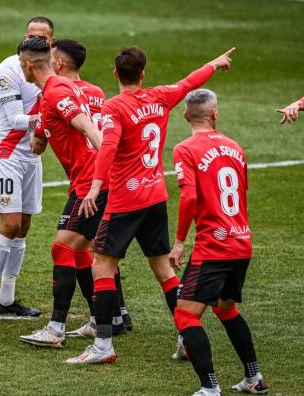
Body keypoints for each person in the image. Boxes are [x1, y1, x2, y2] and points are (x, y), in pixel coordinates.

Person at [66, 46, 235, 365]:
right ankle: (186, 337)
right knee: (162, 268)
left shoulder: (114, 107)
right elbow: (188, 83)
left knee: (101, 265)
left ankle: (103, 345)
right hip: (155, 197)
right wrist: (214, 63)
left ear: (116, 74)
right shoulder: (160, 96)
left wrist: (95, 187)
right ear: (142, 74)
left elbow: (108, 148)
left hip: (125, 200)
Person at [18, 39, 117, 347]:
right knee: (80, 251)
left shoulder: (57, 92)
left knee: (62, 248)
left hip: (91, 182)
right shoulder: (53, 92)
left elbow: (88, 128)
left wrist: (104, 173)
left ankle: (56, 328)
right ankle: (98, 320)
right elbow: (38, 145)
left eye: (21, 64)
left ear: (28, 65)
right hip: (85, 180)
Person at [171, 89, 268, 396]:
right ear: (215, 114)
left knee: (185, 314)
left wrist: (179, 241)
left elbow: (189, 196)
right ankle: (254, 377)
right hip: (241, 241)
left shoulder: (185, 149)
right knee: (226, 310)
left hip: (213, 246)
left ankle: (210, 387)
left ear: (185, 115)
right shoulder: (235, 147)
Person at [0, 20, 54, 323]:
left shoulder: (53, 70)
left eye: (42, 37)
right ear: (24, 38)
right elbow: (16, 121)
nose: (35, 40)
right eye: (31, 36)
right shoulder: (10, 69)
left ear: (51, 41)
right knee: (9, 224)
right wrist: (53, 116)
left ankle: (7, 298)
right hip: (5, 153)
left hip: (30, 156)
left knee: (23, 228)